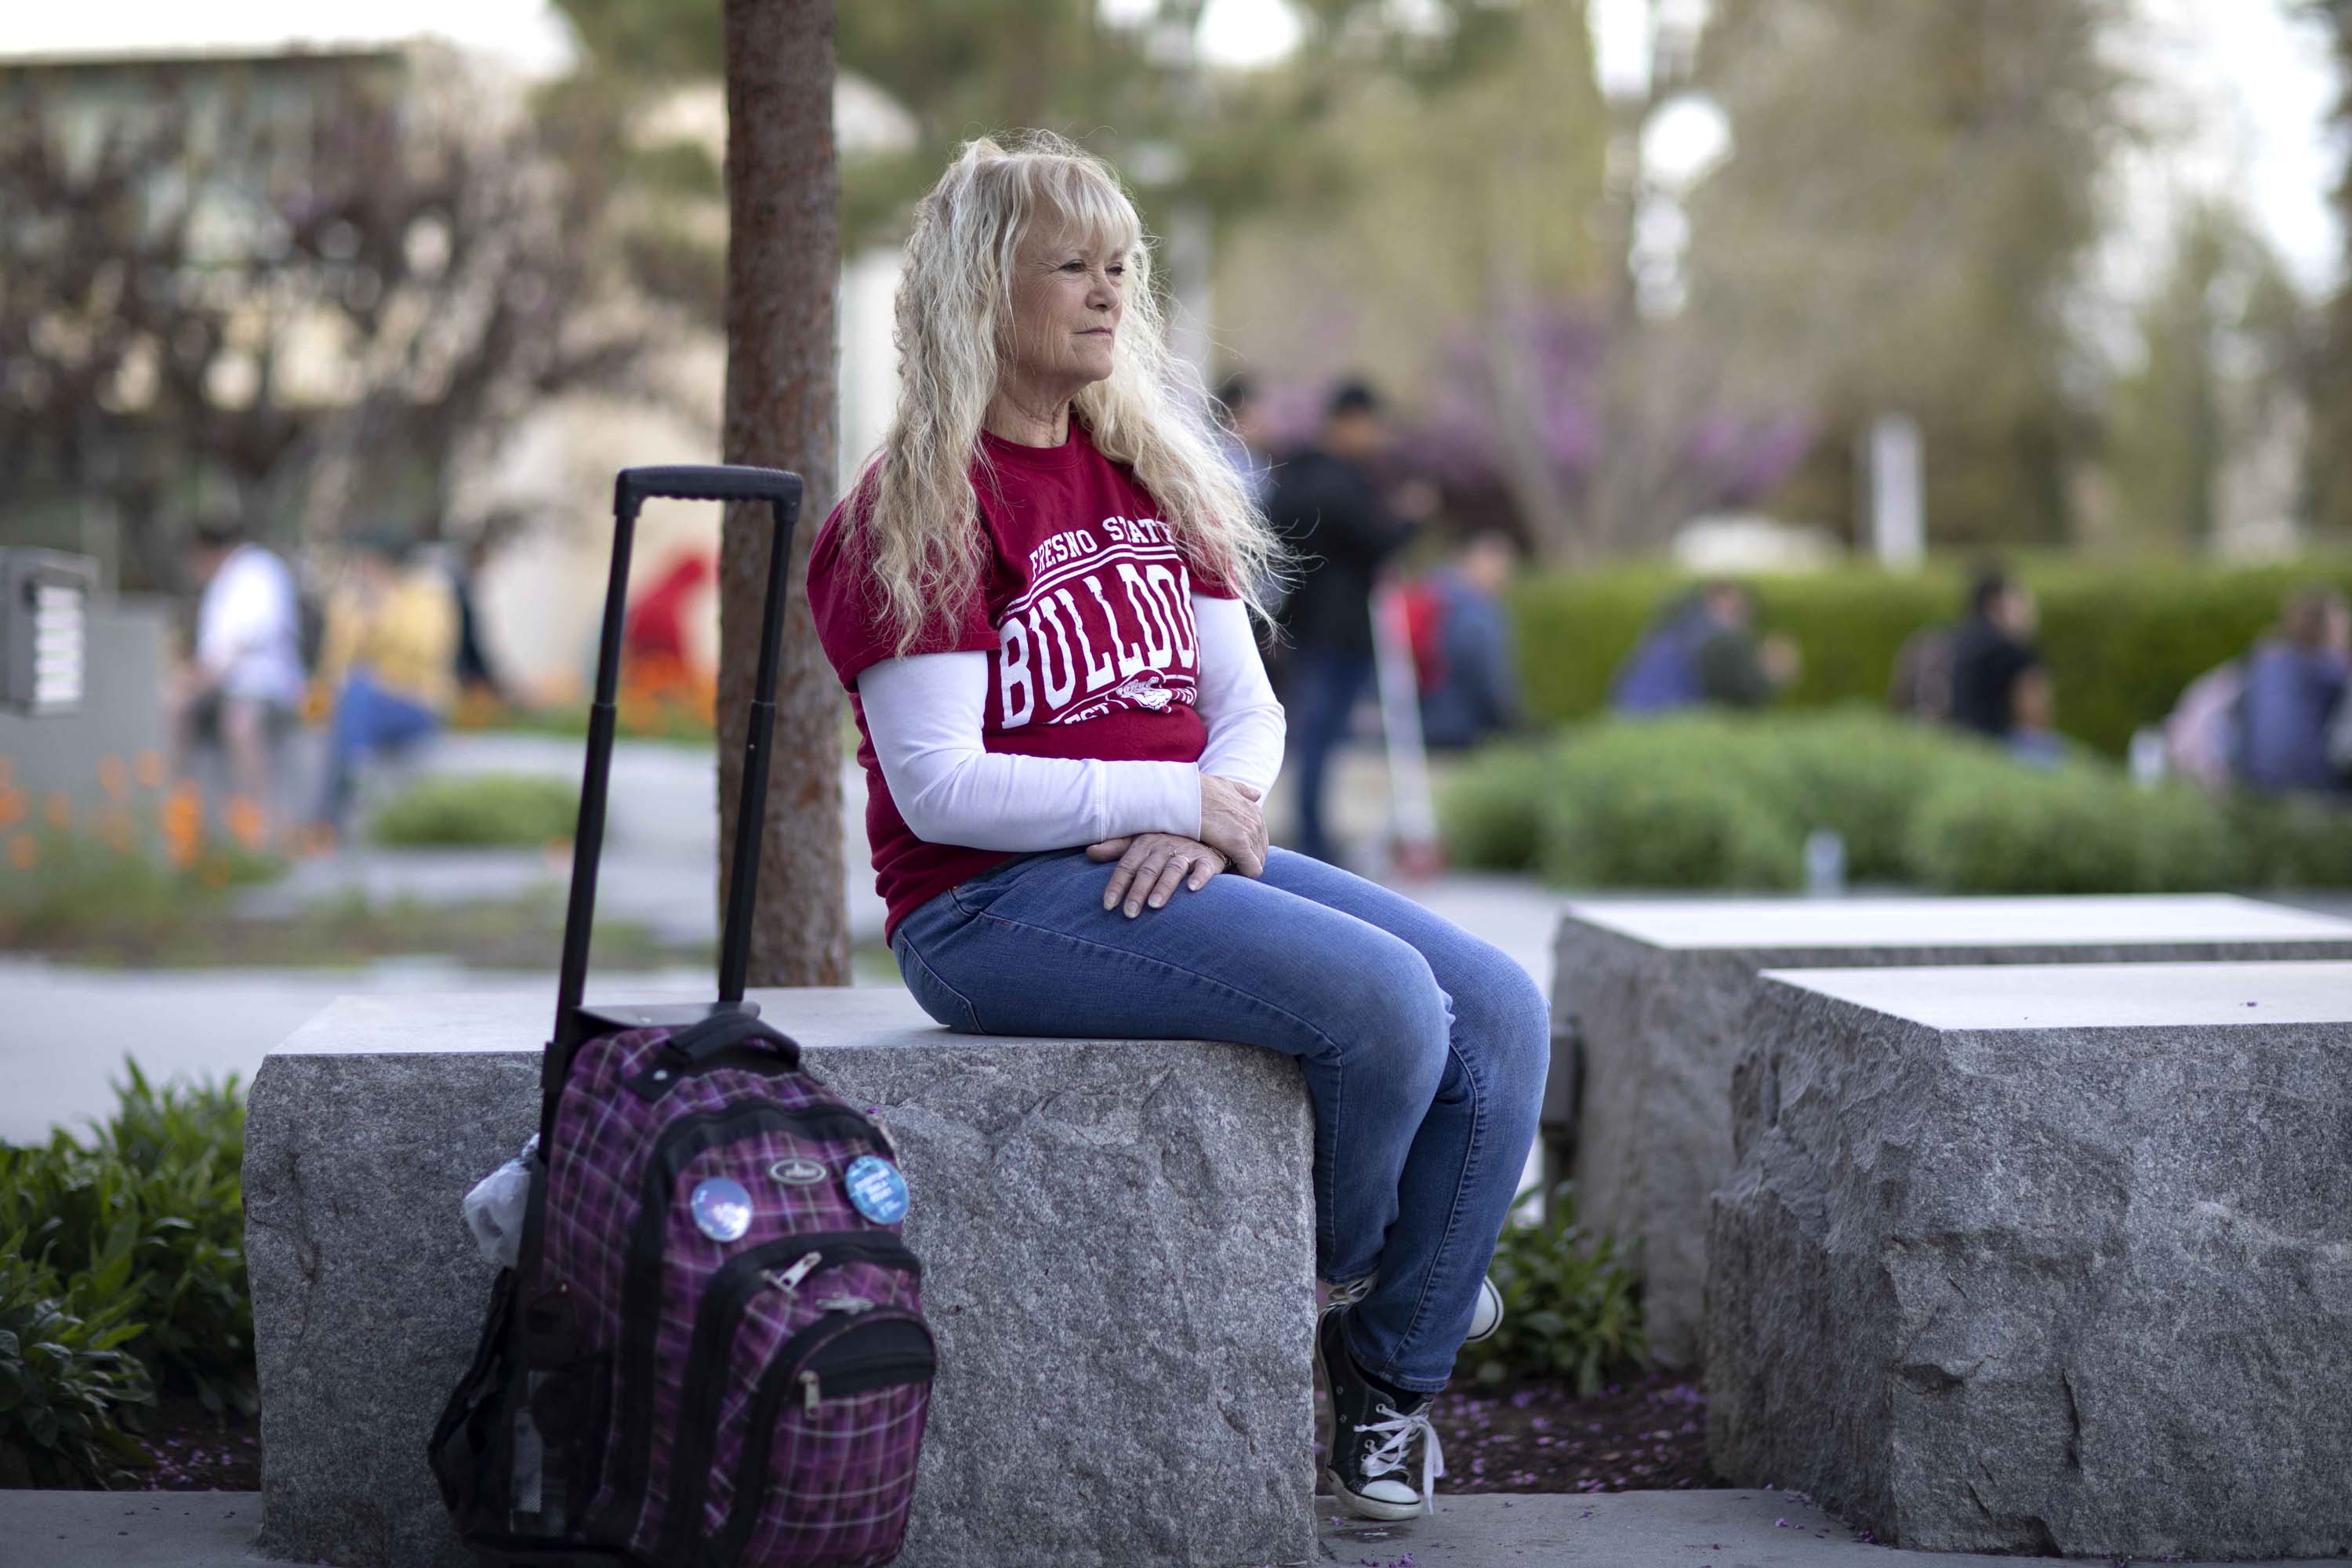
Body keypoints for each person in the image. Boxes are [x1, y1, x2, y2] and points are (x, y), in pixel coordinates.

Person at [803, 132, 1544, 1523]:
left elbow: (1245, 714)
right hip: (990, 906)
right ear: (980, 291)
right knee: (1388, 1004)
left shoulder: (1150, 471)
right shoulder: (912, 511)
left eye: (1120, 268)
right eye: (1069, 266)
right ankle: (1362, 1272)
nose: (1107, 294)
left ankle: (1387, 1385)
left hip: (1178, 859)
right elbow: (941, 789)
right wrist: (1167, 800)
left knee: (1497, 1007)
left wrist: (1210, 820)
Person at [1263, 378, 1428, 864]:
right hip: (1337, 632)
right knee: (1319, 738)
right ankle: (1313, 840)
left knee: (1317, 738)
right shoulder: (1337, 481)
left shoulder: (1298, 475)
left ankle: (1313, 833)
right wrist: (1412, 519)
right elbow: (1376, 540)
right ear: (1351, 422)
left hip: (1312, 625)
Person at [309, 532, 459, 838]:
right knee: (358, 688)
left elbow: (427, 650)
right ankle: (355, 774)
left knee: (360, 691)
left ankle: (332, 811)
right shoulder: (351, 602)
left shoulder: (427, 597)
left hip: (417, 704)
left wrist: (385, 609)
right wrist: (360, 617)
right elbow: (335, 665)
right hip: (361, 707)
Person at [171, 518, 307, 840]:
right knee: (171, 707)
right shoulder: (220, 584)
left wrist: (199, 678)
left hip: (267, 686)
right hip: (223, 687)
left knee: (240, 722)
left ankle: (256, 822)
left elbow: (246, 642)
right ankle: (179, 813)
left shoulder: (258, 571)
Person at [1610, 580, 1795, 714]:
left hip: (1629, 716)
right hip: (1663, 721)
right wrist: (1770, 675)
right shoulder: (1716, 639)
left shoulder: (1678, 624)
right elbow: (1735, 702)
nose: (1744, 620)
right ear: (1718, 599)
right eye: (1739, 609)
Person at [1410, 529, 1523, 750]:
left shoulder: (1434, 595)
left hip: (1421, 718)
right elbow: (1485, 675)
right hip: (1460, 725)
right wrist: (1509, 721)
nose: (1504, 575)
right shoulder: (1474, 611)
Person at [2234, 587, 2350, 795]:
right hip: (2310, 784)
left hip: (2255, 780)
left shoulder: (2265, 660)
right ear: (2323, 628)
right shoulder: (2325, 668)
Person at [1947, 568, 2044, 741]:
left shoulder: (1950, 640)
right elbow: (2034, 720)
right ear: (1996, 602)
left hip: (1950, 740)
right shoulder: (2013, 650)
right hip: (1993, 745)